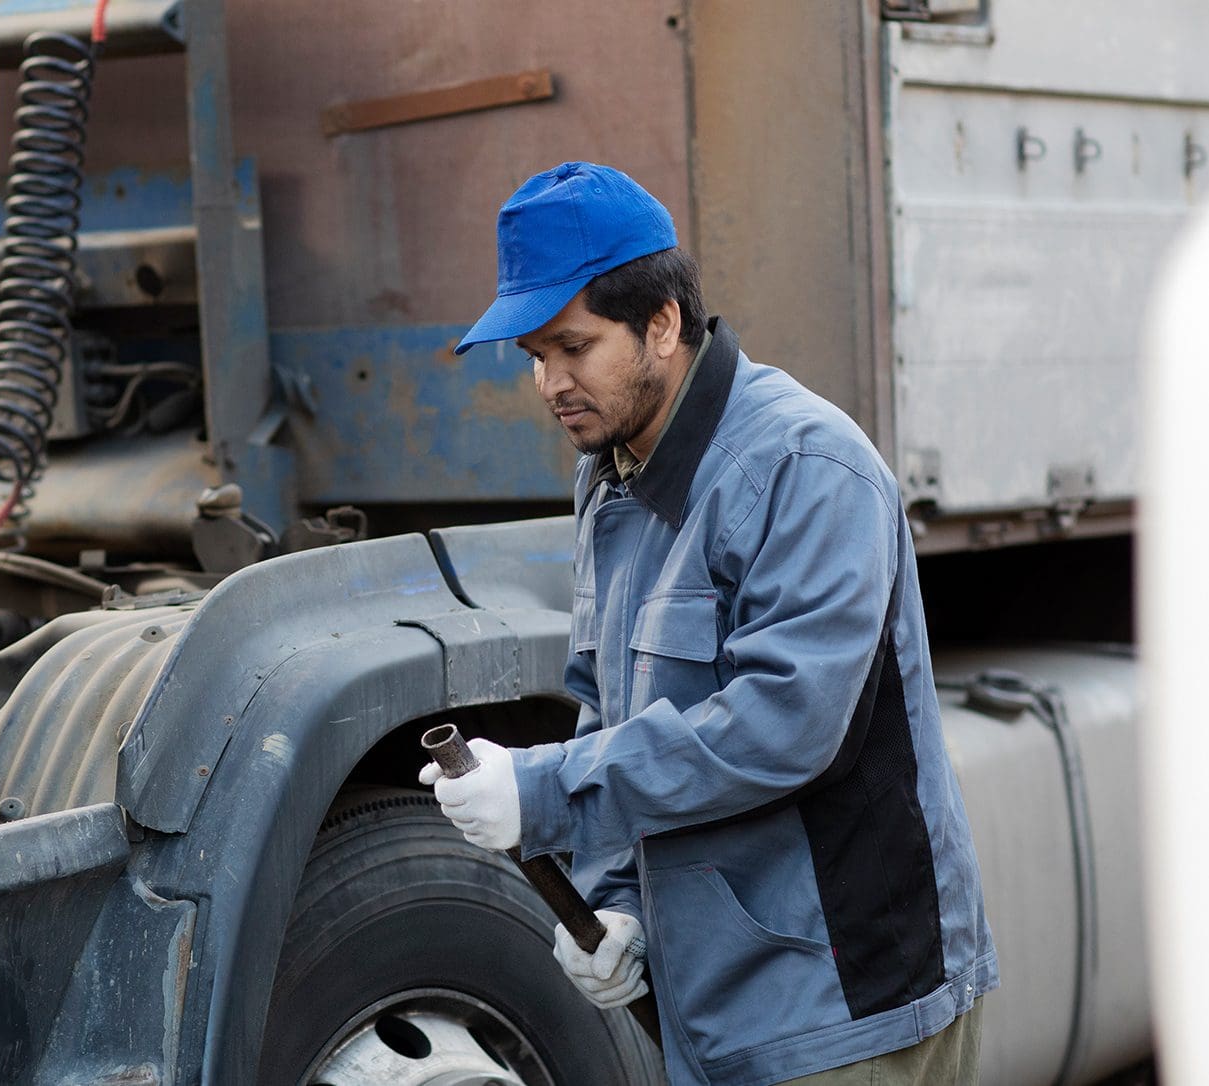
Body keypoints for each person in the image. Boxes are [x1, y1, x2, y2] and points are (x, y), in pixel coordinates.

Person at [423, 162, 995, 1086]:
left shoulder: (804, 465)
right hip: (721, 1007)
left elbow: (785, 721)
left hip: (844, 1008)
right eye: (534, 354)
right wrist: (615, 906)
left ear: (662, 324)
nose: (549, 382)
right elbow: (605, 703)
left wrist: (543, 792)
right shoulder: (609, 476)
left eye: (574, 347)